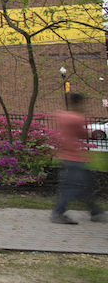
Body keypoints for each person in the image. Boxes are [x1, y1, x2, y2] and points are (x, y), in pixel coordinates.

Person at [50, 93, 107, 224]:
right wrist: (92, 134)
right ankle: (58, 212)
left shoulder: (64, 117)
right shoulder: (76, 118)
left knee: (84, 186)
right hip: (74, 158)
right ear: (79, 103)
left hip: (68, 156)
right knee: (76, 187)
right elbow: (82, 133)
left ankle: (96, 211)